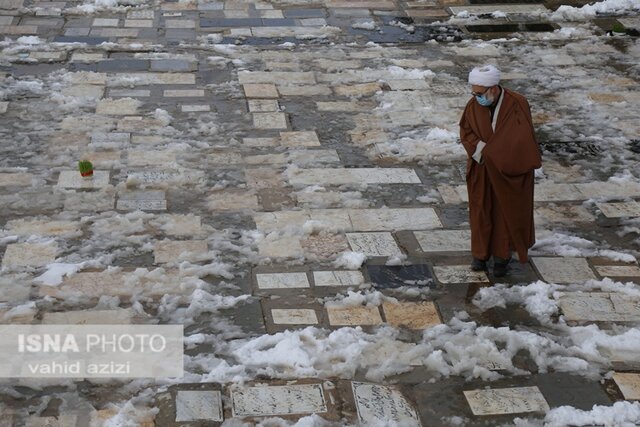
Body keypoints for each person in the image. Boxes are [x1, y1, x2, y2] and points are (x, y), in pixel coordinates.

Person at [459, 64, 542, 277]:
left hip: (509, 171)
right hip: (483, 168)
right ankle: (480, 255)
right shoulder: (473, 105)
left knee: (506, 212)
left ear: (493, 89)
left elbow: (520, 138)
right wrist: (482, 151)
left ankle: (502, 257)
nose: (476, 97)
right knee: (481, 211)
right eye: (474, 93)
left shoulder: (517, 104)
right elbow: (466, 131)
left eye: (479, 93)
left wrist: (495, 153)